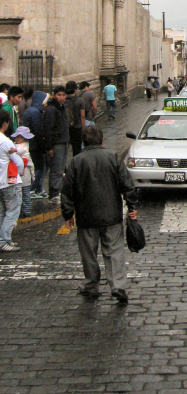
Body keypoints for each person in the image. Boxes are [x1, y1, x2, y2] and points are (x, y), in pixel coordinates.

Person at [62, 126, 138, 303]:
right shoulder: (113, 157)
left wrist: (68, 214)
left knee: (88, 253)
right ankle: (118, 285)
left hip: (86, 216)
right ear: (102, 140)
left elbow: (67, 191)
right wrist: (132, 205)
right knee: (114, 251)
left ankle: (91, 285)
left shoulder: (75, 161)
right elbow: (126, 184)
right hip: (111, 214)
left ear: (83, 142)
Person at [0, 109, 25, 252]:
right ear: (5, 123)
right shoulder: (5, 141)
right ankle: (4, 240)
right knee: (12, 211)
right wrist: (21, 173)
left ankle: (3, 240)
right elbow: (19, 162)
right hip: (9, 181)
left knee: (2, 212)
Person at [44, 85, 70, 204]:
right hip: (56, 144)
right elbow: (48, 129)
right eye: (59, 95)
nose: (61, 97)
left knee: (61, 169)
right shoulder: (51, 109)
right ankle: (53, 194)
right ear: (54, 95)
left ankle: (58, 191)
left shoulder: (62, 108)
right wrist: (49, 147)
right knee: (55, 169)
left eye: (63, 95)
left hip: (63, 142)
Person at [22, 91, 49, 199]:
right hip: (36, 145)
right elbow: (38, 131)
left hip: (32, 144)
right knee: (41, 167)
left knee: (38, 166)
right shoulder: (35, 113)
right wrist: (43, 145)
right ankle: (32, 189)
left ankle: (39, 189)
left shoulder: (31, 111)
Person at [11, 127, 35, 217]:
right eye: (16, 137)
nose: (17, 139)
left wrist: (33, 176)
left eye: (19, 137)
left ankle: (26, 211)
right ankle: (21, 211)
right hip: (17, 175)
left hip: (25, 176)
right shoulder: (14, 145)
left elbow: (30, 165)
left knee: (25, 194)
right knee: (18, 195)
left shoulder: (24, 148)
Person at [64, 81, 86, 157]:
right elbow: (82, 116)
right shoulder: (80, 100)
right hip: (77, 127)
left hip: (66, 128)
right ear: (75, 90)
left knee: (64, 149)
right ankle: (76, 165)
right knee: (77, 149)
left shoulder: (63, 100)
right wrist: (83, 129)